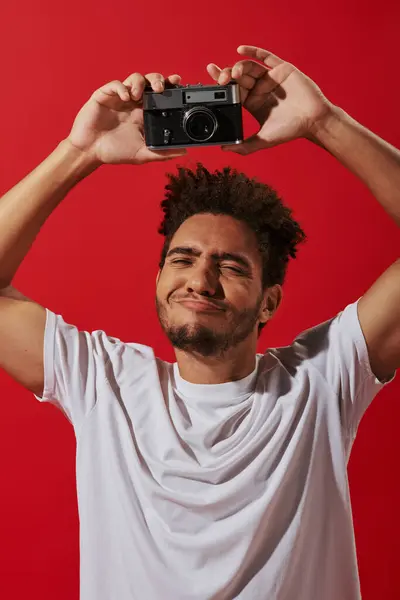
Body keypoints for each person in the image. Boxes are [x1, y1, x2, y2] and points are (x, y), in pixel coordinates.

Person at [0, 44, 398, 600]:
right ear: (158, 279)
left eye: (230, 266)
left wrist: (323, 122)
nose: (201, 281)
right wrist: (79, 151)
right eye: (183, 259)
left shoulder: (320, 381)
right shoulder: (104, 383)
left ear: (269, 302)